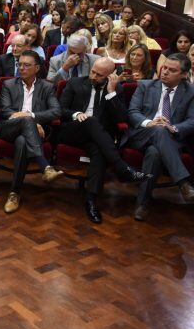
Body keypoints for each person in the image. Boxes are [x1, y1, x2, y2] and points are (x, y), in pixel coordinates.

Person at [58, 57, 151, 223]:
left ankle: (91, 200)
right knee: (91, 120)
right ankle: (122, 168)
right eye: (93, 71)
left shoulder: (116, 90)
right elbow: (60, 110)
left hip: (98, 139)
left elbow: (121, 119)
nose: (94, 76)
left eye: (99, 75)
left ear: (110, 76)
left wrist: (111, 92)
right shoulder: (75, 83)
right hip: (73, 131)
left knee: (100, 152)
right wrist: (77, 114)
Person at [122, 53, 194, 221]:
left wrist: (173, 127)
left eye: (172, 70)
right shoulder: (145, 86)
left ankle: (142, 203)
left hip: (171, 138)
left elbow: (192, 120)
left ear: (183, 75)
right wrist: (150, 123)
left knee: (154, 153)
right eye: (164, 68)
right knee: (159, 130)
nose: (165, 72)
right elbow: (132, 113)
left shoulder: (191, 92)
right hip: (142, 135)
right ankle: (183, 183)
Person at [0, 51, 63, 214]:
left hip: (33, 134)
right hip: (9, 128)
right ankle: (45, 166)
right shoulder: (8, 84)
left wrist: (31, 118)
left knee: (22, 142)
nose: (21, 68)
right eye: (19, 64)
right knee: (26, 121)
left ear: (37, 68)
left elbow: (56, 111)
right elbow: (5, 111)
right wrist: (31, 121)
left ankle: (14, 193)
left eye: (26, 65)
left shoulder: (47, 87)